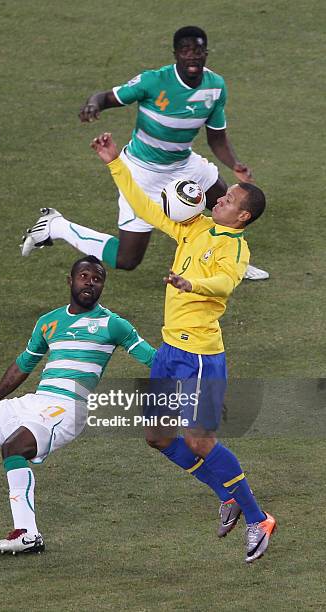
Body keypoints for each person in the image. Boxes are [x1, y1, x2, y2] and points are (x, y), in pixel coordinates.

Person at [90, 132, 276, 563]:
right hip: (170, 350)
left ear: (242, 215)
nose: (220, 198)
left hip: (200, 357)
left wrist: (191, 283)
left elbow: (224, 283)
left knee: (198, 439)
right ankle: (224, 494)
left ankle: (257, 517)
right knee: (157, 436)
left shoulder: (235, 248)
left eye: (228, 198)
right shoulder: (195, 227)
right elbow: (145, 209)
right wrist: (114, 162)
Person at [0, 256, 156, 554]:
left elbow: (152, 358)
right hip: (37, 402)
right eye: (84, 276)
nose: (90, 282)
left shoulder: (113, 325)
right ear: (70, 281)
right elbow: (23, 366)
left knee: (14, 447)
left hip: (69, 408)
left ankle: (28, 535)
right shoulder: (49, 321)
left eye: (97, 279)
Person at [21, 25, 268, 281]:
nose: (192, 55)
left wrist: (235, 164)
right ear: (175, 54)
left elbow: (216, 137)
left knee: (228, 202)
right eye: (185, 50)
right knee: (127, 259)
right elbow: (105, 97)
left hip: (184, 165)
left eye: (198, 50)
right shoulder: (153, 81)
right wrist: (93, 105)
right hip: (141, 171)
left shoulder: (215, 86)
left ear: (206, 52)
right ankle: (57, 225)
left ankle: (230, 261)